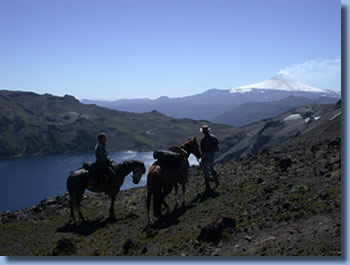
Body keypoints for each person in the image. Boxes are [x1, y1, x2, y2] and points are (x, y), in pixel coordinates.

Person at [200, 125, 219, 191]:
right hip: (212, 153)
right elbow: (216, 143)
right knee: (211, 167)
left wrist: (202, 160)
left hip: (207, 154)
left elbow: (203, 152)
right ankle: (217, 182)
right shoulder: (213, 137)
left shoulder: (203, 140)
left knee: (206, 170)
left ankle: (208, 186)